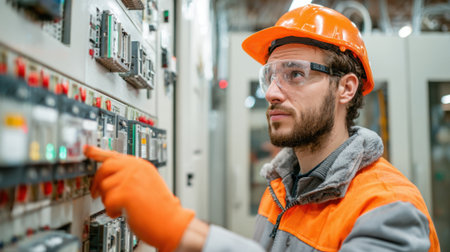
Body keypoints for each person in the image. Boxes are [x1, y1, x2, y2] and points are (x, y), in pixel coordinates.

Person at [84, 4, 440, 252]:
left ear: (345, 88)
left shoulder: (390, 208)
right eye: (270, 75)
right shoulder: (281, 187)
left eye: (295, 74)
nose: (271, 92)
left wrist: (183, 232)